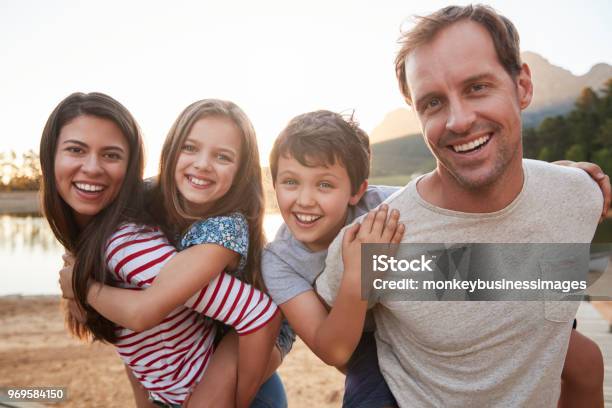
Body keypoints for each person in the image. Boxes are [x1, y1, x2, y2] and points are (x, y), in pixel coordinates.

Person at [316, 5, 606, 407]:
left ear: (522, 87)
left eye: (477, 87)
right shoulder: (375, 241)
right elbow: (338, 346)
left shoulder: (580, 196)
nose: (458, 120)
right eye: (432, 103)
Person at [263, 111, 608, 407]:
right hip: (364, 340)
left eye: (324, 185)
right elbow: (334, 350)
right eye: (291, 182)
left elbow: (469, 189)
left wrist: (561, 174)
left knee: (586, 361)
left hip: (426, 314)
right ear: (273, 183)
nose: (304, 200)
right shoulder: (279, 262)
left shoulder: (387, 206)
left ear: (357, 190)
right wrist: (358, 275)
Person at [46, 95, 281, 407]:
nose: (91, 168)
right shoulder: (134, 216)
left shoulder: (130, 244)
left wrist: (82, 287)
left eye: (111, 155)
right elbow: (131, 339)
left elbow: (258, 314)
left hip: (239, 373)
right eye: (76, 149)